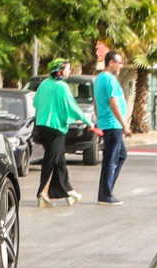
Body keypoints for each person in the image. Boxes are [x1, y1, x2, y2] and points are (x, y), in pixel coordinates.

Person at [33, 59, 98, 207]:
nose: (69, 72)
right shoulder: (62, 86)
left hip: (42, 127)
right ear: (60, 71)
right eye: (68, 69)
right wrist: (88, 122)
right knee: (51, 160)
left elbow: (35, 102)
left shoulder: (44, 84)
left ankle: (69, 192)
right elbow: (72, 106)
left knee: (59, 159)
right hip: (55, 128)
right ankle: (43, 193)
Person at [94, 50, 131, 206]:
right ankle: (105, 194)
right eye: (119, 62)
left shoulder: (99, 79)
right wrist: (125, 125)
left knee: (121, 155)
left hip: (108, 123)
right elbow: (114, 103)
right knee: (111, 160)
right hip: (113, 124)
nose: (121, 66)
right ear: (111, 63)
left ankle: (107, 190)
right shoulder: (109, 80)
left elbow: (96, 103)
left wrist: (98, 118)